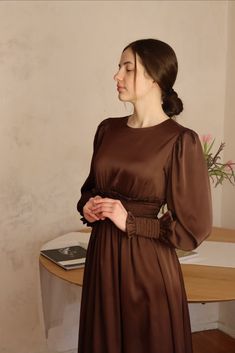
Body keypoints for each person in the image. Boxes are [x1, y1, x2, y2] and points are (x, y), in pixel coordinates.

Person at [77, 38, 212, 353]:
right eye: (119, 67)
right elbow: (90, 188)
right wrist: (89, 205)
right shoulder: (107, 130)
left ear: (154, 78)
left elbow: (194, 226)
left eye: (128, 68)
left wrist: (132, 222)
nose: (117, 76)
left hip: (146, 263)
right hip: (102, 256)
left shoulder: (181, 142)